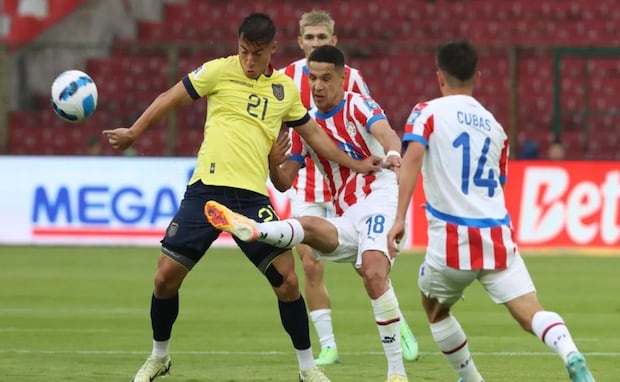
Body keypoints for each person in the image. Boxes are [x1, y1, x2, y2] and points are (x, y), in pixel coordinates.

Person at [102, 13, 383, 382]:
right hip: (205, 191)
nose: (249, 62)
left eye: (258, 54)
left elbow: (315, 136)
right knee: (164, 280)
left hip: (252, 199)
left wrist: (357, 163)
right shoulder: (218, 71)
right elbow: (170, 97)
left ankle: (307, 368)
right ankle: (159, 357)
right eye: (244, 52)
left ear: (273, 50)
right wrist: (134, 132)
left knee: (289, 283)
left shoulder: (284, 90)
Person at [387, 40, 595, 382]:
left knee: (435, 309)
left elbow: (412, 158)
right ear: (477, 77)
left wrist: (399, 218)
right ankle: (569, 351)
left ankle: (472, 379)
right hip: (497, 235)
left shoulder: (426, 112)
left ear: (439, 76)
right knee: (530, 311)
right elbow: (498, 183)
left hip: (452, 238)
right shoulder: (495, 127)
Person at [206, 45, 410, 382]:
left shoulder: (359, 105)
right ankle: (254, 231)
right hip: (346, 215)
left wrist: (391, 152)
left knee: (374, 271)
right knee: (309, 226)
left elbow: (387, 132)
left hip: (379, 199)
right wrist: (273, 163)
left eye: (326, 78)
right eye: (312, 78)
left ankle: (396, 374)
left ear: (342, 78)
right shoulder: (307, 125)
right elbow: (285, 183)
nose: (317, 86)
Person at [280, 9, 418, 365]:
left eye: (321, 39)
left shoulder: (353, 80)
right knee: (309, 261)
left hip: (355, 181)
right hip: (312, 176)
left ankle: (395, 320)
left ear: (333, 42)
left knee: (366, 265)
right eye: (308, 38)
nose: (314, 44)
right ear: (299, 41)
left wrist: (388, 152)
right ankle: (328, 345)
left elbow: (370, 124)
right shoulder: (283, 79)